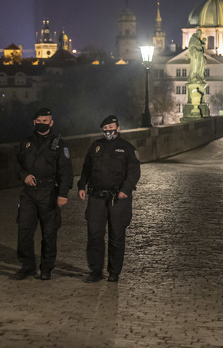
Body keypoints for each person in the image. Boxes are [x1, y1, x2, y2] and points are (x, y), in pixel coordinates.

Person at [12, 108, 73, 280]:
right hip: (29, 192)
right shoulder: (26, 142)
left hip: (49, 192)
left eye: (45, 121)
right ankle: (27, 266)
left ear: (51, 123)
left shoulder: (59, 143)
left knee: (49, 233)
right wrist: (24, 176)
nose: (41, 123)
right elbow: (16, 164)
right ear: (34, 122)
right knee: (24, 231)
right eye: (38, 120)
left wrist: (63, 194)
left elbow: (66, 170)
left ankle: (46, 268)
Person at [77, 115, 141, 283]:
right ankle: (95, 270)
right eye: (105, 128)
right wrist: (81, 185)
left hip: (118, 199)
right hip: (97, 197)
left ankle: (114, 272)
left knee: (117, 236)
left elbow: (134, 172)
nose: (108, 131)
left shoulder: (127, 148)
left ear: (118, 128)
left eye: (111, 127)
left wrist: (125, 190)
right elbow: (86, 168)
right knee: (94, 235)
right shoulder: (96, 146)